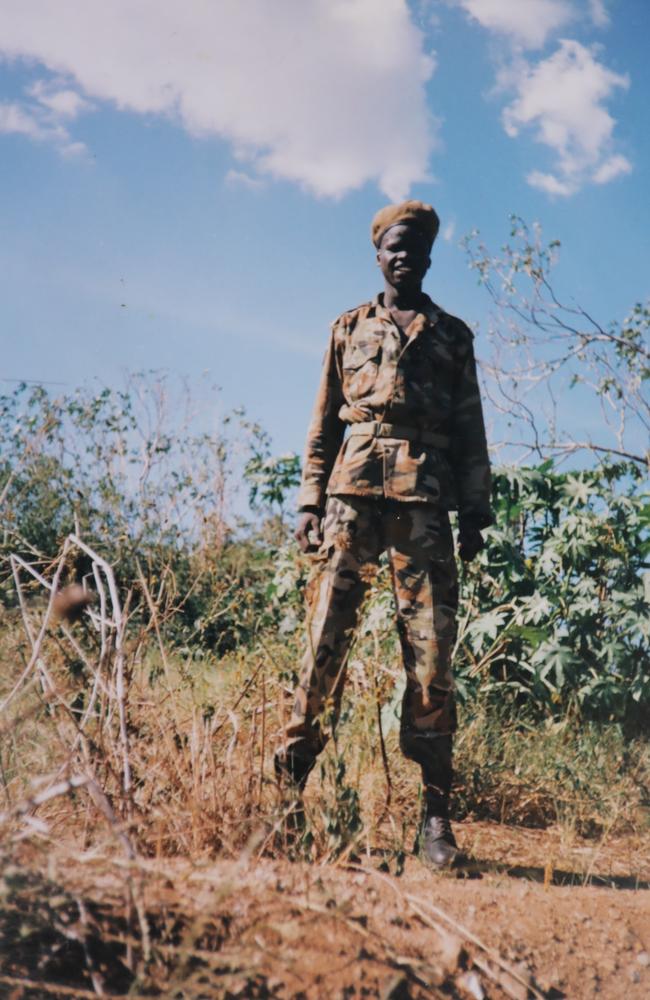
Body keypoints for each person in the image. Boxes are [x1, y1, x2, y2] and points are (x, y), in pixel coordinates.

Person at [275, 200, 492, 867]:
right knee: (322, 646)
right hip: (350, 501)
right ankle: (286, 805)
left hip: (426, 508)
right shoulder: (347, 328)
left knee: (431, 658)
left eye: (416, 247)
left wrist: (477, 513)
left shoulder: (452, 337)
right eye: (394, 247)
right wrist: (310, 502)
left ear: (428, 257)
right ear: (378, 255)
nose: (404, 256)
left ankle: (435, 823)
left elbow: (469, 430)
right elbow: (322, 425)